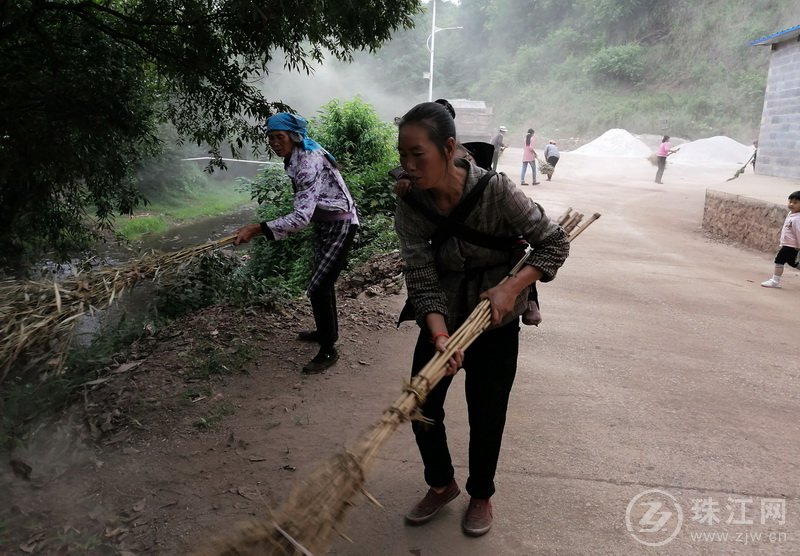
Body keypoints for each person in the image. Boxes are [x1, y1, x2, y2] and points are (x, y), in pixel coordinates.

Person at [394, 101, 569, 537]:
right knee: (420, 402)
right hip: (446, 314)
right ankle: (441, 483)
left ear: (448, 147)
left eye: (418, 155)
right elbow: (419, 273)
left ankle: (481, 494)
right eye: (402, 155)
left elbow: (554, 243)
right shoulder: (411, 205)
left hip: (496, 319)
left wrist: (512, 287)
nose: (408, 166)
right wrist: (438, 334)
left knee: (486, 411)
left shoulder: (496, 191)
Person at [234, 113, 359, 374]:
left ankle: (328, 349)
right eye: (270, 138)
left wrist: (257, 228)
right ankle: (326, 332)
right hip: (327, 221)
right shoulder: (301, 151)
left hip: (341, 222)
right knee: (320, 282)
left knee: (319, 286)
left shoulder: (307, 163)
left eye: (279, 137)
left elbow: (301, 217)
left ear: (293, 137)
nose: (274, 143)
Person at [761, 191, 800, 288]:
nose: (791, 204)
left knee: (779, 260)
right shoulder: (791, 214)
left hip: (791, 246)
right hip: (788, 244)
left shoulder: (797, 219)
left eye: (795, 203)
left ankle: (775, 281)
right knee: (792, 263)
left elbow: (799, 233)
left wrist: (799, 246)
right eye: (790, 201)